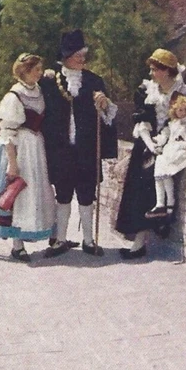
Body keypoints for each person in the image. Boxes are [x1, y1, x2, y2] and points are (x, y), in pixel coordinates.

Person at [115, 48, 186, 260]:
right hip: (150, 144)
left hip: (174, 146)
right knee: (139, 189)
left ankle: (155, 231)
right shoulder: (147, 92)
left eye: (155, 69)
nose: (151, 74)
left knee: (160, 186)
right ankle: (139, 242)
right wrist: (150, 144)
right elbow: (142, 121)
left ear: (167, 71)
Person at [40, 30, 118, 257]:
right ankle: (60, 240)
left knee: (86, 194)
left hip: (86, 149)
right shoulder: (50, 80)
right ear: (65, 57)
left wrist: (104, 105)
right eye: (77, 55)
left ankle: (88, 240)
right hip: (61, 149)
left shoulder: (94, 80)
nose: (82, 59)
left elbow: (107, 117)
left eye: (83, 55)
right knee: (62, 194)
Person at [0, 54, 56, 261]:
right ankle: (17, 245)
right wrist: (12, 164)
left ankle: (45, 234)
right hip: (19, 148)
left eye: (41, 69)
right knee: (18, 194)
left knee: (35, 192)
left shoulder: (38, 90)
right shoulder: (14, 96)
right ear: (25, 71)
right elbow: (7, 133)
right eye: (36, 69)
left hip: (36, 147)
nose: (40, 73)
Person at [143, 94, 186, 218]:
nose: (184, 112)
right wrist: (155, 142)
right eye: (180, 110)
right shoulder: (172, 123)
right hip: (171, 150)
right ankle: (162, 203)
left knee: (165, 166)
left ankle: (169, 203)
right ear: (175, 111)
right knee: (161, 163)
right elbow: (164, 136)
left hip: (184, 148)